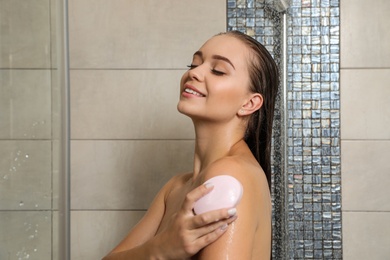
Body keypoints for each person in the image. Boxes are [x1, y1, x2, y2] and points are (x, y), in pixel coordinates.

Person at [103, 30, 279, 260]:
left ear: (249, 103)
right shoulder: (176, 187)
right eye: (194, 63)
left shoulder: (231, 176)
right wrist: (160, 249)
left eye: (218, 70)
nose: (194, 72)